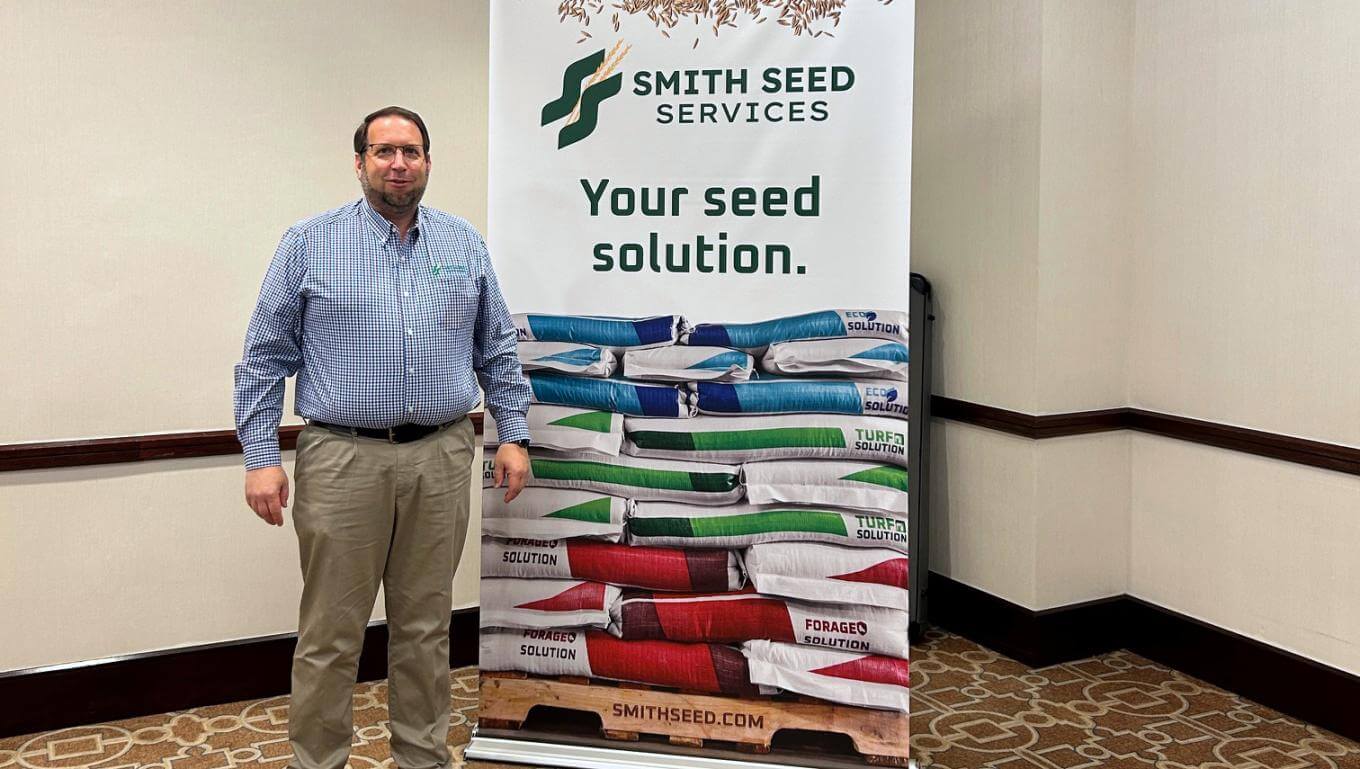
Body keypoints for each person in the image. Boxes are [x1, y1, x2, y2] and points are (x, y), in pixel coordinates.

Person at [233, 105, 530, 769]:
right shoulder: (309, 243)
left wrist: (514, 432)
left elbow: (497, 348)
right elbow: (262, 357)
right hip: (342, 457)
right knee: (330, 634)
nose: (399, 164)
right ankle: (317, 760)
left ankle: (422, 756)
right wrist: (260, 457)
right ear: (360, 162)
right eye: (384, 151)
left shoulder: (463, 243)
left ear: (427, 162)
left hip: (441, 455)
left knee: (426, 629)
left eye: (411, 152)